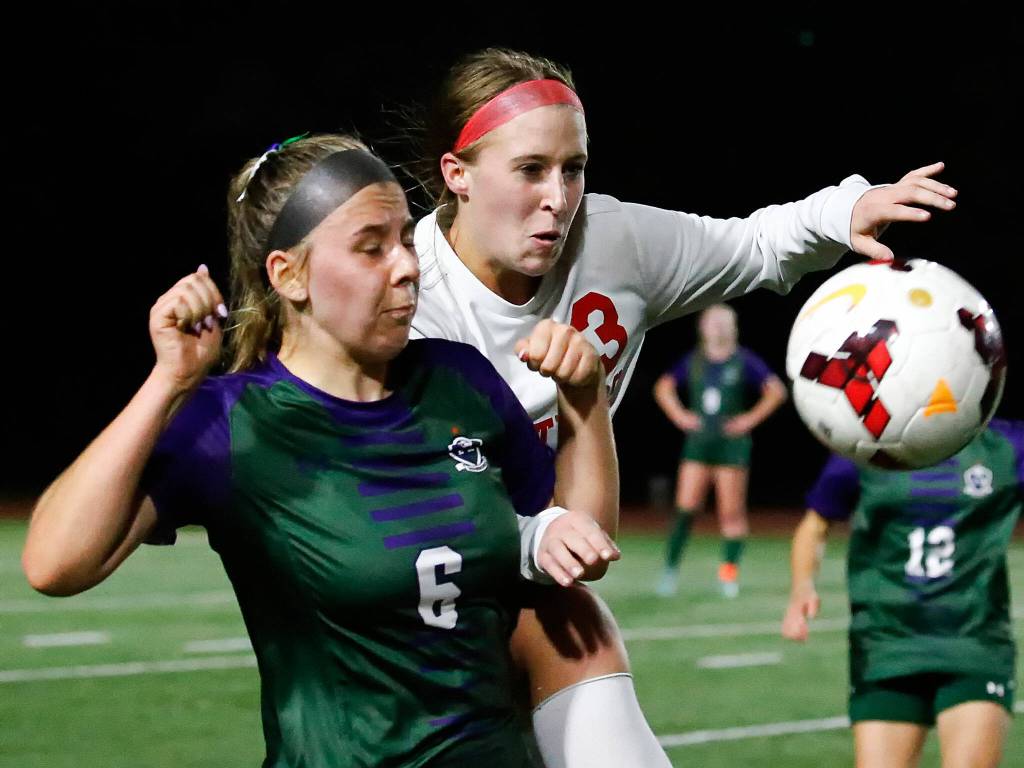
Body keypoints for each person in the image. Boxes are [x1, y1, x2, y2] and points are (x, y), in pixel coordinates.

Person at [408, 47, 959, 766]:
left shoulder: (613, 243)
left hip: (555, 596)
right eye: (530, 169)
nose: (558, 196)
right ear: (458, 176)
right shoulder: (406, 296)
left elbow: (753, 244)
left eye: (573, 168)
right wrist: (526, 538)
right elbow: (397, 497)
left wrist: (843, 210)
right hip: (423, 608)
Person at [21, 134, 621, 767]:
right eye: (371, 248)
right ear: (289, 275)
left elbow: (579, 552)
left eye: (406, 240)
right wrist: (167, 382)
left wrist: (584, 399)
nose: (407, 266)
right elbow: (54, 565)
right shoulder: (231, 422)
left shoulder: (460, 379)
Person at [782, 420, 1023, 768]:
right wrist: (801, 588)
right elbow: (815, 525)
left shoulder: (1006, 447)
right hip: (885, 643)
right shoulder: (863, 446)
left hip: (973, 642)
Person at [652, 303, 787, 598]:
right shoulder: (695, 361)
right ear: (702, 327)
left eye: (723, 322)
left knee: (731, 514)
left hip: (731, 447)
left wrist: (747, 420)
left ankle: (728, 575)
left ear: (733, 327)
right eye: (712, 321)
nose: (717, 327)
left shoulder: (743, 361)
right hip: (698, 444)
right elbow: (663, 387)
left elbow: (776, 390)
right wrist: (680, 416)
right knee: (685, 508)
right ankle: (670, 571)